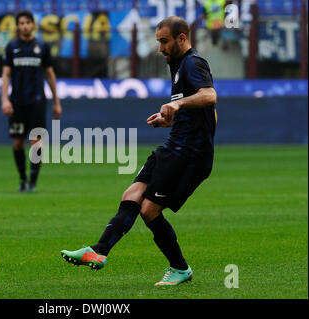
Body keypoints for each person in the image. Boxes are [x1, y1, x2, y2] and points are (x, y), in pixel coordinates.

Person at [60, 16, 217, 286]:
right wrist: (171, 117)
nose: (160, 48)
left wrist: (178, 108)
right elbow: (207, 113)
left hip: (189, 155)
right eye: (158, 42)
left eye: (164, 41)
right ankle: (98, 252)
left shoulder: (193, 62)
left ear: (182, 38)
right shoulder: (178, 64)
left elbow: (210, 95)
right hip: (173, 147)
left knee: (148, 211)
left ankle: (180, 269)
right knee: (131, 195)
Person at [1, 10, 62, 192]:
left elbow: (50, 74)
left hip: (37, 102)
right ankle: (22, 178)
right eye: (21, 23)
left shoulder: (42, 47)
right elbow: (5, 75)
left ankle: (33, 181)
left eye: (28, 22)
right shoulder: (11, 47)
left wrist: (57, 101)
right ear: (18, 26)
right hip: (17, 102)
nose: (25, 26)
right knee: (18, 142)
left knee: (36, 142)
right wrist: (4, 99)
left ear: (33, 25)